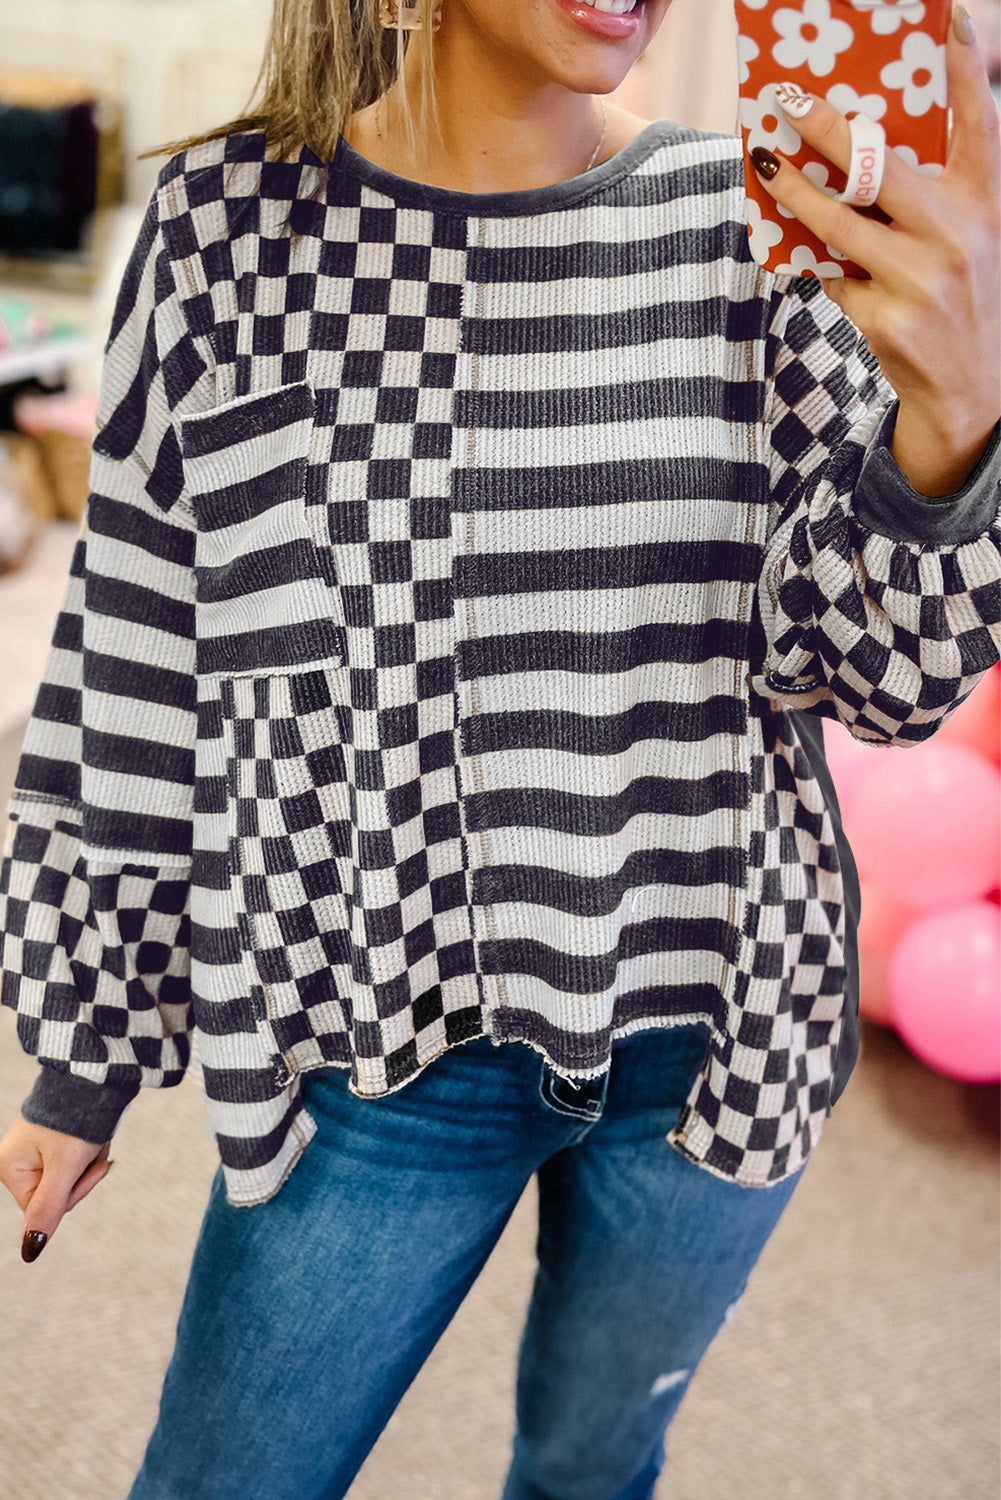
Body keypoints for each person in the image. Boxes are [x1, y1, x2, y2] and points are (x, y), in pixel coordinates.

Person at [1, 0, 998, 1495]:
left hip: (716, 1027)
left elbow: (880, 688)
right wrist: (84, 1055)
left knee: (590, 1471)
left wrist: (957, 428)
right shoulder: (229, 232)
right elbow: (138, 658)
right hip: (377, 1029)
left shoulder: (752, 229)